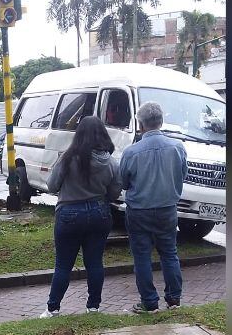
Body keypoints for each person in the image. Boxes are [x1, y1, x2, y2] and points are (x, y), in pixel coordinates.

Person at [40, 116, 121, 317]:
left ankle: (53, 308)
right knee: (94, 263)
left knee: (63, 265)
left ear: (79, 135)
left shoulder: (68, 158)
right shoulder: (111, 162)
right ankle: (93, 307)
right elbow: (114, 193)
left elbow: (52, 185)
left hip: (69, 214)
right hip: (99, 214)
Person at [119, 101, 186, 313]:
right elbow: (182, 174)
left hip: (139, 210)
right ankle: (174, 299)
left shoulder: (131, 152)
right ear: (161, 121)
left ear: (141, 125)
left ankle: (149, 302)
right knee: (169, 253)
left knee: (142, 256)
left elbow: (124, 182)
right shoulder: (177, 147)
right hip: (167, 208)